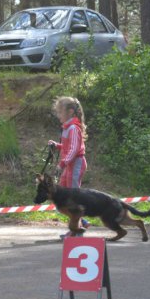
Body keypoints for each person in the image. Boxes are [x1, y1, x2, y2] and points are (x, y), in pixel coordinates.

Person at [48, 96, 91, 239]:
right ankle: (81, 222)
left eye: (60, 112)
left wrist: (62, 163)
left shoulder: (73, 128)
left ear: (71, 111)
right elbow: (68, 147)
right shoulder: (68, 128)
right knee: (63, 199)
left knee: (72, 199)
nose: (58, 115)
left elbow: (73, 150)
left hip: (75, 165)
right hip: (69, 165)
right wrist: (57, 145)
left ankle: (76, 230)